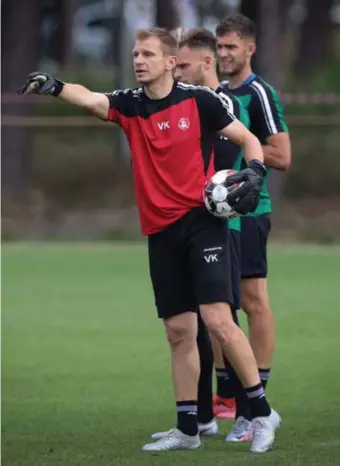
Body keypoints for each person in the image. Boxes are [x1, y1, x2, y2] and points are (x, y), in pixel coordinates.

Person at [18, 27, 276, 453]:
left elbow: (249, 139)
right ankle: (188, 429)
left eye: (148, 54)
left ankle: (262, 414)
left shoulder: (199, 100)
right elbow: (91, 98)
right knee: (178, 331)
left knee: (217, 322)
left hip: (202, 222)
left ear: (170, 62)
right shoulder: (131, 105)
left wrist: (255, 172)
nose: (139, 60)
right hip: (160, 230)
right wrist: (55, 86)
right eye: (136, 53)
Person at [214, 14, 291, 441]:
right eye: (220, 47)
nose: (225, 54)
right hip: (220, 216)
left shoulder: (258, 92)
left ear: (249, 49)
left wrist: (247, 150)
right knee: (220, 308)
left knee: (252, 300)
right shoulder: (218, 94)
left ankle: (257, 401)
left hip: (252, 211)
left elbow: (282, 155)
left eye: (231, 47)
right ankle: (236, 403)